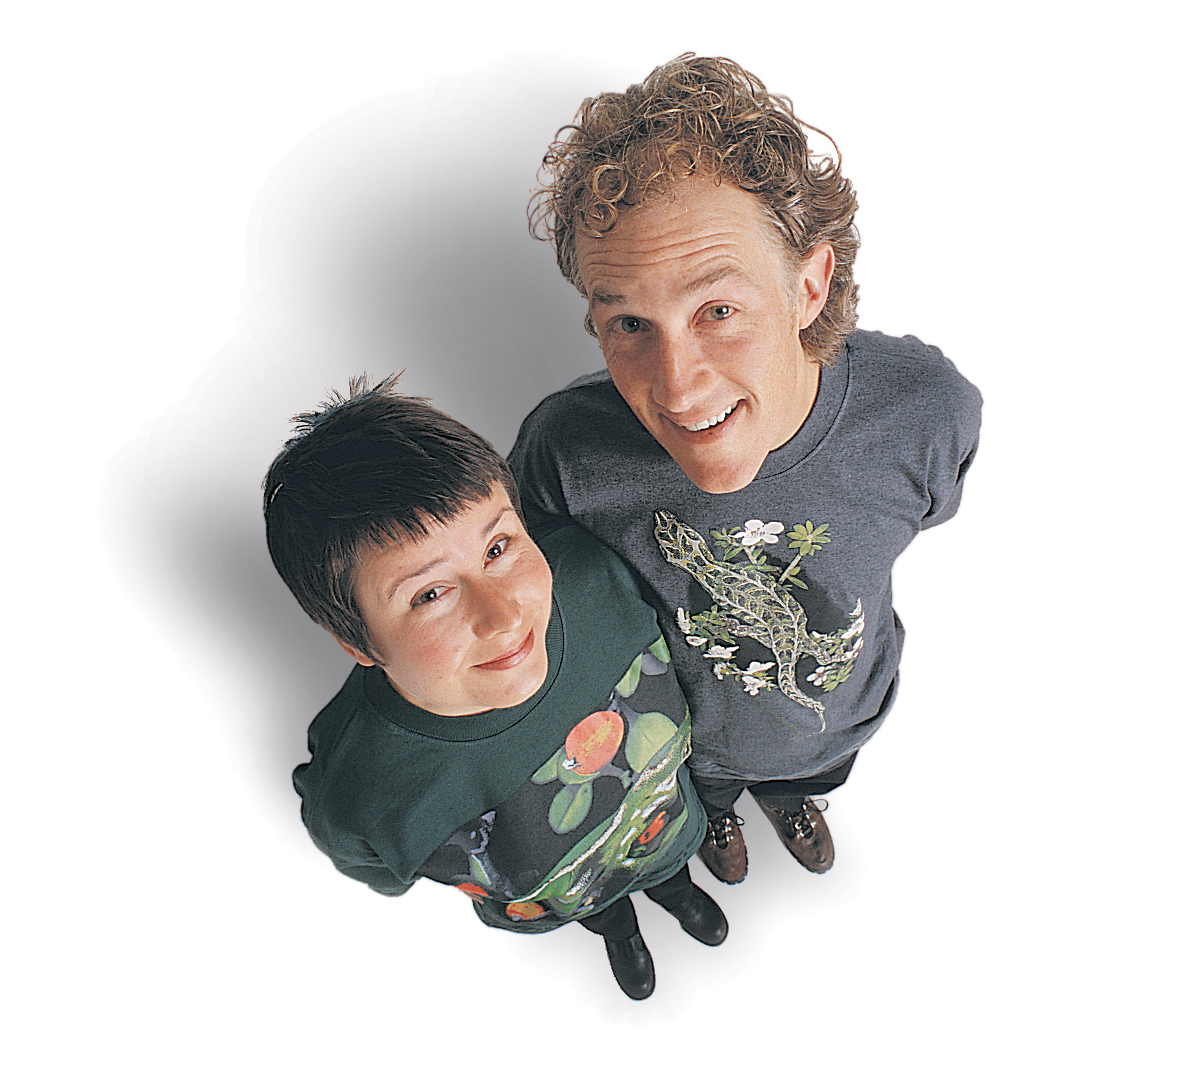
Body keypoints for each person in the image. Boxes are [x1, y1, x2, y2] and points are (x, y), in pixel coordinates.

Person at [509, 55, 982, 885]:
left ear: (809, 285)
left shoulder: (925, 411)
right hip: (680, 745)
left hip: (839, 719)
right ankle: (718, 817)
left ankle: (795, 797)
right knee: (707, 793)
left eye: (718, 310)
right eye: (628, 324)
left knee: (813, 770)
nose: (679, 386)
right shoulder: (563, 457)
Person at [264, 375, 727, 1000]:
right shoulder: (365, 789)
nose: (505, 615)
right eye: (430, 594)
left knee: (668, 863)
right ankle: (616, 929)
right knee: (599, 907)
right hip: (563, 890)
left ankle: (678, 892)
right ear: (358, 644)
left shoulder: (597, 577)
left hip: (665, 821)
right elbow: (370, 856)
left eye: (500, 546)